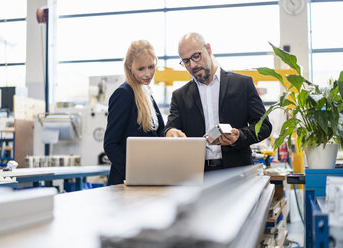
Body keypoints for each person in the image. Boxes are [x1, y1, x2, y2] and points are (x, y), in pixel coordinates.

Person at [165, 32, 272, 171]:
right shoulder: (180, 96)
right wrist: (170, 132)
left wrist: (240, 136)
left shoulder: (242, 84)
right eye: (186, 61)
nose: (192, 65)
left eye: (196, 56)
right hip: (196, 173)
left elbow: (264, 126)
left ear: (208, 49)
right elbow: (170, 128)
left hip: (236, 171)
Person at [104, 40, 165, 185]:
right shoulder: (123, 95)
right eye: (141, 69)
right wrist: (133, 174)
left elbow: (161, 131)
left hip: (146, 178)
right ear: (129, 67)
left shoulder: (146, 92)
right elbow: (110, 144)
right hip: (126, 182)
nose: (148, 73)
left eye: (151, 67)